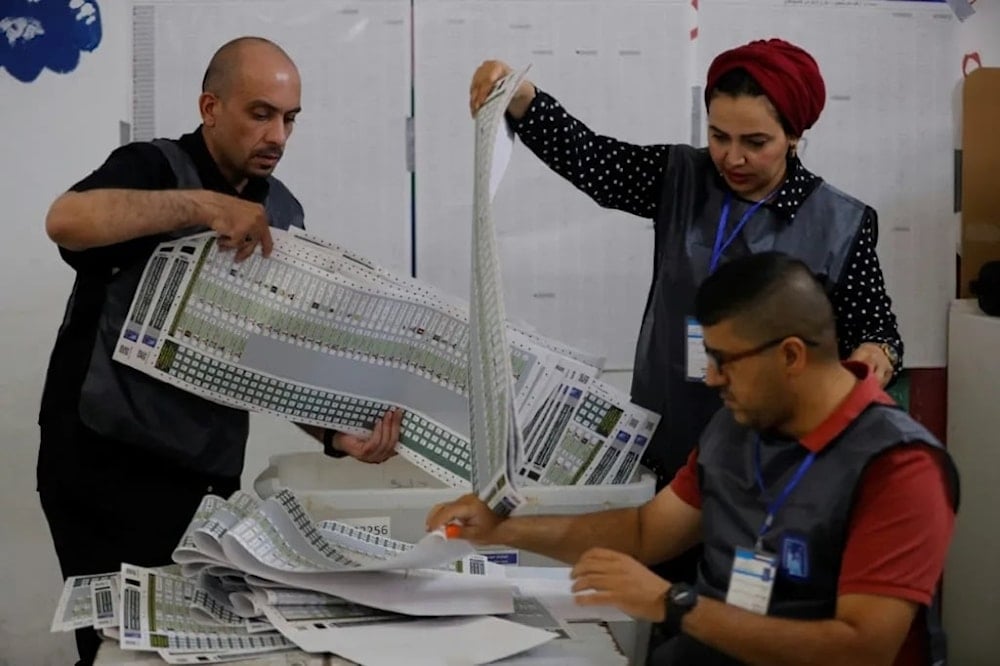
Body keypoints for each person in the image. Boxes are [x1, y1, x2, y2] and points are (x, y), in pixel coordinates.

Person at [37, 36, 401, 665]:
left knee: (198, 649)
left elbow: (265, 357)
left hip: (202, 472)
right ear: (210, 107)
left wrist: (335, 436)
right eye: (261, 113)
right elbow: (66, 221)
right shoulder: (151, 167)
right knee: (122, 650)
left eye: (289, 119)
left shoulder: (282, 212)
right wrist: (205, 206)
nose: (278, 136)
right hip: (103, 461)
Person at [427, 252, 958, 666]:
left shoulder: (899, 467)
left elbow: (861, 650)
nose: (710, 379)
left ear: (791, 355)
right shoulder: (738, 421)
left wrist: (674, 604)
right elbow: (643, 532)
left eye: (724, 361)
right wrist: (502, 530)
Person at [468, 39, 904, 510]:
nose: (732, 158)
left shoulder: (839, 223)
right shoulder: (680, 177)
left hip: (775, 463)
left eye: (755, 143)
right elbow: (591, 160)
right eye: (719, 136)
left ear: (795, 135)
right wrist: (522, 97)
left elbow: (877, 330)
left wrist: (876, 352)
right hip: (669, 446)